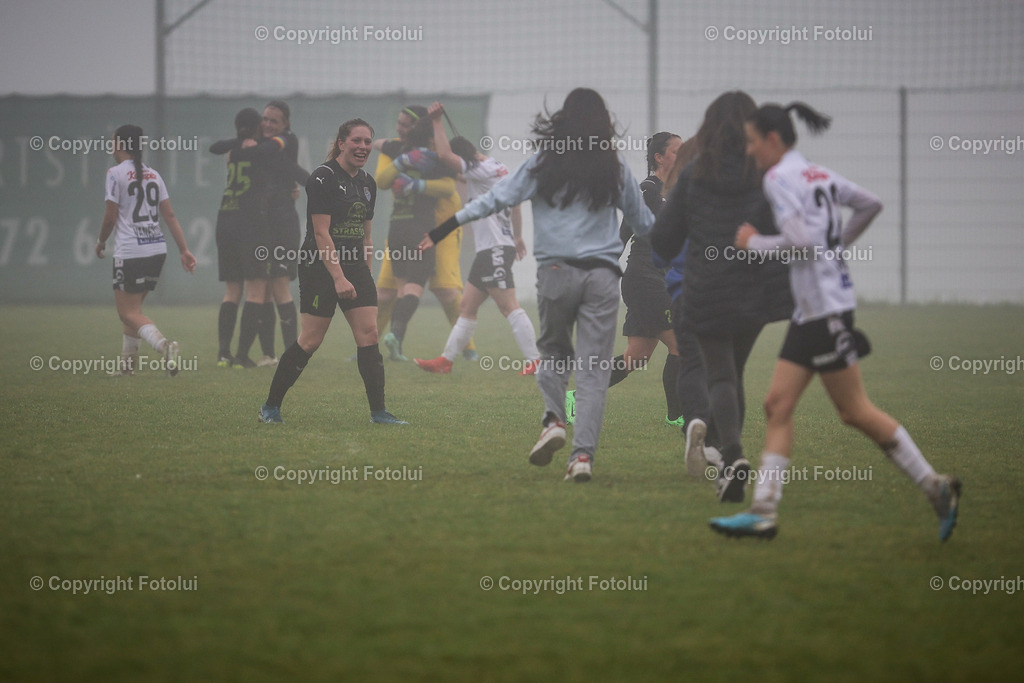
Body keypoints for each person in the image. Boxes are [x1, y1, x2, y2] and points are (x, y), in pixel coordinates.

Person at [708, 102, 960, 540]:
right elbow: (870, 204)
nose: (749, 151)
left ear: (772, 139)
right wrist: (836, 244)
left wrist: (755, 242)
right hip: (815, 310)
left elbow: (800, 241)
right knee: (778, 406)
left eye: (752, 142)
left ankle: (936, 486)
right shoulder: (816, 173)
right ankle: (763, 511)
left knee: (854, 410)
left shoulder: (778, 178)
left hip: (824, 309)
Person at [421, 88, 655, 482]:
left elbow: (493, 201)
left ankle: (553, 419)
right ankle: (582, 458)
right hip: (601, 276)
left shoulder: (543, 163)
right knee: (594, 371)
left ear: (562, 120)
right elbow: (647, 224)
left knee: (554, 355)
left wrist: (446, 226)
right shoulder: (613, 167)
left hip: (557, 274)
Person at [651, 92, 794, 502]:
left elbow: (663, 239)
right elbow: (788, 231)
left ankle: (732, 458)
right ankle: (731, 456)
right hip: (755, 294)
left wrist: (669, 254)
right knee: (734, 372)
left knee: (720, 376)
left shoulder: (695, 172)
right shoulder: (767, 175)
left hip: (706, 291)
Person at [258, 118, 406, 425]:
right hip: (319, 267)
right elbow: (321, 233)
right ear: (341, 143)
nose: (363, 147)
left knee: (369, 333)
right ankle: (270, 407)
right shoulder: (323, 178)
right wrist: (338, 277)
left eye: (368, 141)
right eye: (357, 141)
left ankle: (379, 413)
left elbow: (366, 237)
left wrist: (364, 275)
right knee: (311, 340)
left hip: (354, 266)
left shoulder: (367, 183)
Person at [565, 131, 685, 426]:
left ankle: (577, 398)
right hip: (644, 279)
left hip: (661, 279)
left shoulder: (677, 193)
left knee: (637, 356)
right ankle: (678, 416)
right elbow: (623, 234)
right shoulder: (647, 191)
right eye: (676, 151)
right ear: (659, 157)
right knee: (682, 344)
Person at [414, 103, 539, 375]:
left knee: (508, 306)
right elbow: (515, 204)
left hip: (494, 248)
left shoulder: (479, 170)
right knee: (467, 306)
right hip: (494, 247)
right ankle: (446, 361)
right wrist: (517, 236)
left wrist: (436, 121)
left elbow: (447, 156)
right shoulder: (496, 168)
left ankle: (536, 360)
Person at [373, 106, 477, 361]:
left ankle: (468, 348)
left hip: (419, 228)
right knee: (400, 291)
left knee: (445, 290)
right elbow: (450, 182)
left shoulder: (418, 153)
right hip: (422, 231)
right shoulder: (415, 153)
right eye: (398, 123)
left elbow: (452, 182)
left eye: (406, 125)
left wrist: (409, 175)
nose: (400, 129)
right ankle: (376, 344)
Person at [95, 124, 196, 376]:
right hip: (156, 250)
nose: (111, 145)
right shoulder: (154, 175)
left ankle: (165, 346)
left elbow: (110, 217)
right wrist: (184, 250)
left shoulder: (115, 173)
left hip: (131, 251)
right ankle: (127, 368)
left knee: (127, 312)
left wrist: (101, 241)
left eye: (113, 141)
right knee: (133, 313)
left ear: (120, 144)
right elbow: (169, 215)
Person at [210, 108, 270, 367]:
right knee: (256, 290)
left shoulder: (232, 151)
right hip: (251, 225)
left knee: (231, 291)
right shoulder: (262, 150)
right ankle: (243, 354)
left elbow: (215, 147)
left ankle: (223, 354)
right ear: (257, 127)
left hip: (226, 219)